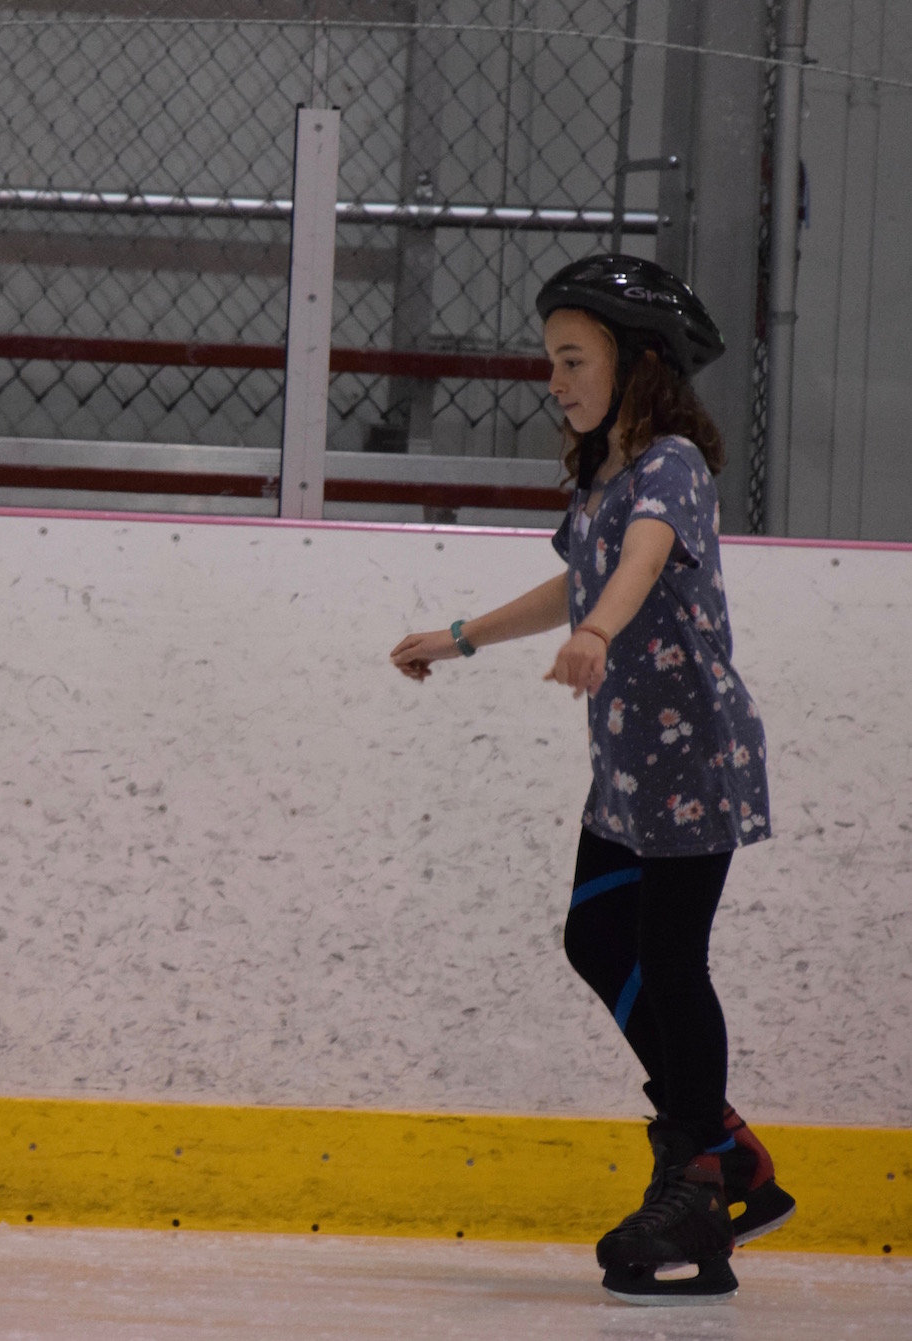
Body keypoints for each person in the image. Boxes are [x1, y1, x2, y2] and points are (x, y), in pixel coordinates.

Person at [389, 255, 794, 1304]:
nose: (555, 380)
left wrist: (600, 632)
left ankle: (699, 1177)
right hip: (628, 766)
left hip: (691, 757)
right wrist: (457, 637)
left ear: (639, 365)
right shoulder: (603, 478)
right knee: (592, 937)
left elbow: (640, 561)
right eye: (550, 361)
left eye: (573, 360)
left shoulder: (667, 466)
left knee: (668, 959)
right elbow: (577, 575)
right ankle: (720, 1150)